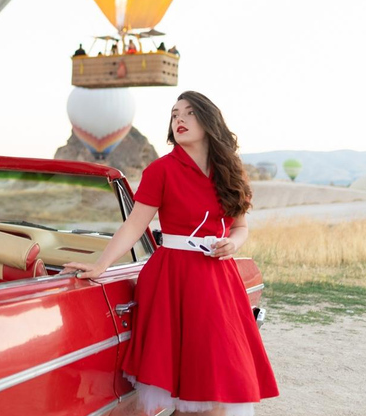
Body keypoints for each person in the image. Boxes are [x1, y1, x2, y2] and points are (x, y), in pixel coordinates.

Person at [62, 91, 278, 416]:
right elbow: (134, 226)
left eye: (189, 113)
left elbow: (240, 227)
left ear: (209, 120)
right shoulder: (161, 170)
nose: (179, 119)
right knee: (182, 385)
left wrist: (233, 243)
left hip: (219, 281)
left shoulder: (230, 171)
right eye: (175, 114)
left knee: (216, 381)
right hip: (173, 278)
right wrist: (101, 264)